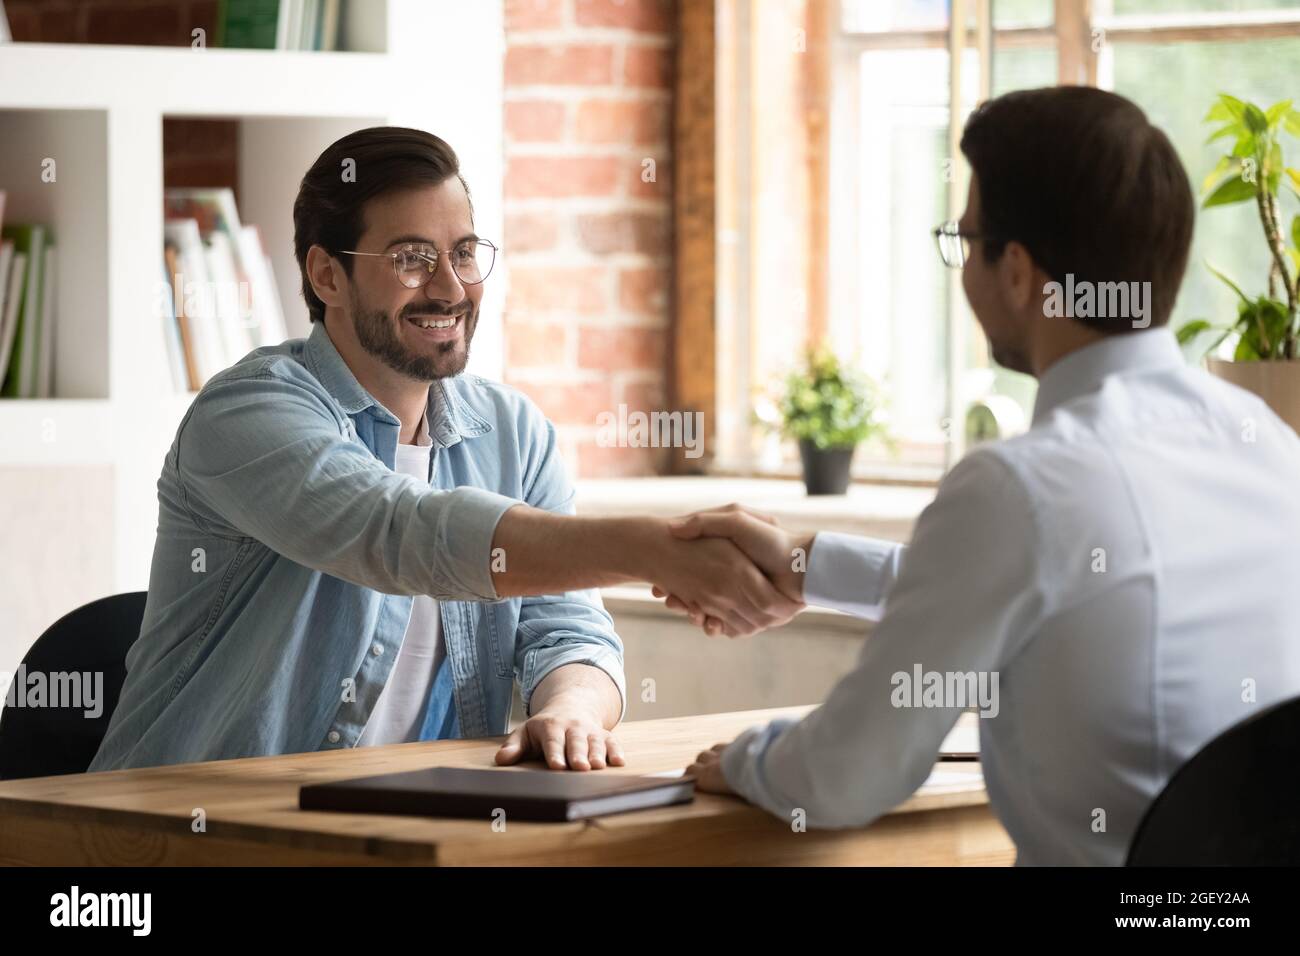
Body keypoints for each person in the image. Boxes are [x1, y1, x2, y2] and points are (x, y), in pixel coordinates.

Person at [674, 86, 1300, 865]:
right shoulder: (1269, 444)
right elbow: (1062, 594)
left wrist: (743, 760)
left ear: (1016, 271)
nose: (962, 269)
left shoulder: (1020, 487)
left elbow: (849, 775)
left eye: (964, 241)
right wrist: (812, 566)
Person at [89, 127, 800, 774]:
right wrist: (657, 548)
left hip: (411, 825)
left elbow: (569, 628)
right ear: (327, 275)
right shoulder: (247, 411)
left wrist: (570, 710)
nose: (451, 287)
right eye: (411, 258)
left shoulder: (513, 432)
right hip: (180, 830)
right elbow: (398, 532)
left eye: (463, 253)